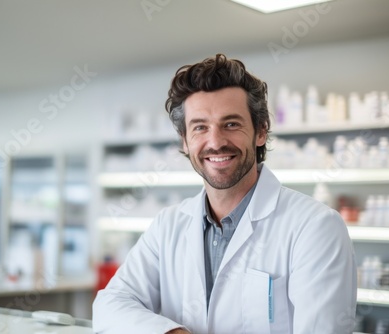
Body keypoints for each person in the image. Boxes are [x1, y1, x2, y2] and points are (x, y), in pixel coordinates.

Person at [92, 54, 357, 334]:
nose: (215, 142)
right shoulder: (167, 226)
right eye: (200, 127)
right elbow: (110, 305)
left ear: (261, 132)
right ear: (185, 141)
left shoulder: (316, 227)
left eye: (231, 124)